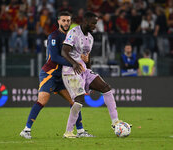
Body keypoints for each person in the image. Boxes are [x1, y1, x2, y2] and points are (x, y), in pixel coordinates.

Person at [20, 11, 93, 139]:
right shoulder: (54, 36)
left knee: (74, 101)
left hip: (64, 76)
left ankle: (80, 131)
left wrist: (83, 59)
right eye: (63, 20)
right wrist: (74, 64)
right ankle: (26, 130)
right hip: (50, 73)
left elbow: (77, 54)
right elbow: (54, 57)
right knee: (42, 100)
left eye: (68, 21)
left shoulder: (73, 36)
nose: (66, 23)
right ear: (58, 21)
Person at [61, 11, 131, 138]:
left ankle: (115, 121)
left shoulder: (91, 38)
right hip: (71, 72)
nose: (95, 26)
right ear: (86, 22)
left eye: (96, 24)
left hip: (83, 71)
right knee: (79, 100)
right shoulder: (73, 32)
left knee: (106, 88)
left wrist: (89, 76)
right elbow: (64, 52)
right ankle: (68, 132)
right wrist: (74, 64)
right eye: (93, 23)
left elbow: (88, 57)